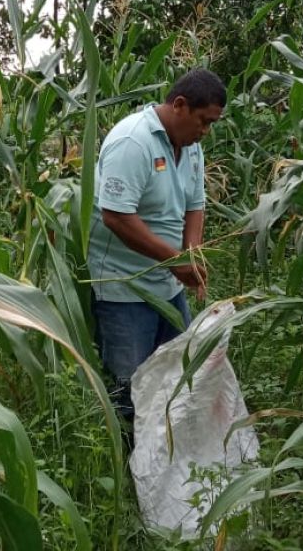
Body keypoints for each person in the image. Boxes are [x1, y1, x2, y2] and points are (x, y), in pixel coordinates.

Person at [87, 68, 226, 422]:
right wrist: (173, 259)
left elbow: (195, 204)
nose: (205, 132)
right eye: (203, 121)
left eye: (212, 124)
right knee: (131, 391)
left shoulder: (190, 147)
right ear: (179, 105)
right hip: (124, 290)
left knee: (178, 378)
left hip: (168, 286)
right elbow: (115, 216)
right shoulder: (132, 142)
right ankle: (127, 468)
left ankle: (165, 463)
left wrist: (191, 256)